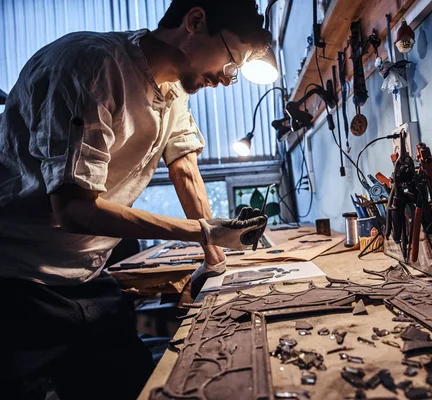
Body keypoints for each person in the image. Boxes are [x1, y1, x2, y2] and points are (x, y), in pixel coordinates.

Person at [0, 1, 270, 399]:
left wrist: (216, 257)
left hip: (88, 276)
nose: (229, 81)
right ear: (195, 21)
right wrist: (201, 232)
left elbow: (185, 168)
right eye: (232, 62)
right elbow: (74, 209)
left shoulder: (174, 89)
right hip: (18, 281)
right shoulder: (91, 66)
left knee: (137, 385)